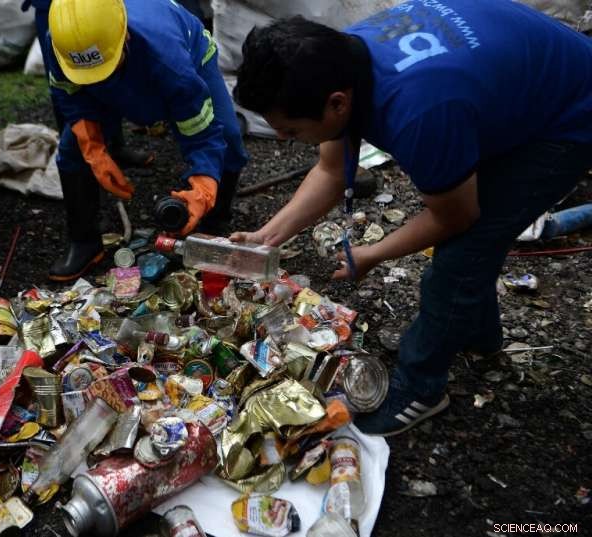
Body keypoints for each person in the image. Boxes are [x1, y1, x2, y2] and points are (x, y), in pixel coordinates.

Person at [231, 0, 592, 436]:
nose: (287, 142)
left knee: (458, 261)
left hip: (570, 116)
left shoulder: (420, 112)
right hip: (517, 82)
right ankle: (476, 335)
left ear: (337, 104)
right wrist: (269, 236)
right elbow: (330, 169)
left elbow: (457, 216)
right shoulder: (340, 58)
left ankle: (421, 386)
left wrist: (373, 254)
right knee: (475, 244)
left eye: (291, 131)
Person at [45, 0, 248, 282]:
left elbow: (202, 134)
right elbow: (68, 92)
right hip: (124, 65)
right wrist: (93, 149)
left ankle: (213, 227)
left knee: (227, 137)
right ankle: (84, 241)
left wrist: (203, 187)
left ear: (124, 35)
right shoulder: (64, 42)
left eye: (108, 67)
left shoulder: (171, 63)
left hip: (185, 58)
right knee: (71, 152)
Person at [20, 0, 152, 168]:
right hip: (51, 8)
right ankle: (76, 154)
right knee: (64, 81)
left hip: (92, 7)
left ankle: (114, 145)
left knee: (107, 70)